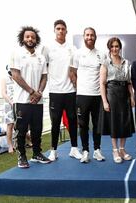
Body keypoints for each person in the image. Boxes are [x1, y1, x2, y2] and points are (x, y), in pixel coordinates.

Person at [10, 26, 50, 168]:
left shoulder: (41, 57)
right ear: (23, 39)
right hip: (22, 100)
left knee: (37, 129)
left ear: (36, 39)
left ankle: (37, 154)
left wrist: (38, 92)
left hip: (37, 101)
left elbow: (44, 77)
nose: (30, 39)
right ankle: (21, 156)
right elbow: (15, 75)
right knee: (21, 130)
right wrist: (32, 92)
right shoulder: (17, 54)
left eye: (33, 37)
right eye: (27, 37)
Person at [43, 19, 82, 161]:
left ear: (66, 31)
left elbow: (76, 70)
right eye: (58, 28)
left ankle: (74, 149)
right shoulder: (47, 48)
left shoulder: (72, 49)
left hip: (70, 91)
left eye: (63, 28)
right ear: (54, 30)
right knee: (55, 122)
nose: (60, 31)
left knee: (72, 120)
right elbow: (43, 68)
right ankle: (53, 151)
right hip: (55, 91)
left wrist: (77, 86)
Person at [71, 27, 105, 163]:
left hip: (97, 95)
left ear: (95, 37)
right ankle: (85, 151)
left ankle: (97, 150)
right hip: (82, 96)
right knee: (83, 124)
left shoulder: (101, 54)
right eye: (87, 35)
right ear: (83, 37)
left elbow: (104, 75)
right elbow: (72, 73)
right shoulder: (77, 54)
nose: (90, 37)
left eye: (92, 35)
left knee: (97, 124)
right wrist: (78, 87)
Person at [99, 37, 135, 163]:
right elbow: (102, 84)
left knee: (125, 122)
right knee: (114, 123)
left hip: (124, 94)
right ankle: (115, 151)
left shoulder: (126, 62)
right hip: (112, 94)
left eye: (117, 46)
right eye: (112, 46)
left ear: (120, 48)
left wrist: (132, 96)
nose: (115, 49)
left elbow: (129, 82)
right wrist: (104, 101)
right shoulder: (105, 63)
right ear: (109, 48)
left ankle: (122, 149)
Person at [0, 66, 15, 153]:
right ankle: (10, 146)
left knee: (21, 125)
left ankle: (28, 140)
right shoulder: (4, 79)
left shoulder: (17, 78)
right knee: (10, 125)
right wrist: (10, 102)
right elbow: (3, 93)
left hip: (18, 104)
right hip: (8, 105)